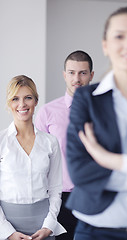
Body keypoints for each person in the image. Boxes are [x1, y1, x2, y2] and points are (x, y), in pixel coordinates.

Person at [66, 6, 127, 240]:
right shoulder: (85, 98)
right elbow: (79, 171)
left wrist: (109, 160)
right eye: (119, 36)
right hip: (93, 229)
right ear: (105, 45)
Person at [35, 50, 94, 240]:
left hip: (95, 195)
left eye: (83, 73)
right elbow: (38, 158)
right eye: (71, 72)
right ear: (64, 74)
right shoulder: (47, 113)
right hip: (60, 200)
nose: (77, 78)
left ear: (91, 75)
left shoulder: (103, 110)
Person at [0, 75, 66, 240]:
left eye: (28, 98)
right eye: (15, 98)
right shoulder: (1, 142)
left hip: (43, 226)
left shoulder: (50, 142)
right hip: (7, 227)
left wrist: (49, 226)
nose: (22, 104)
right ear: (9, 104)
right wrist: (8, 232)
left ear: (36, 101)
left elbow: (56, 188)